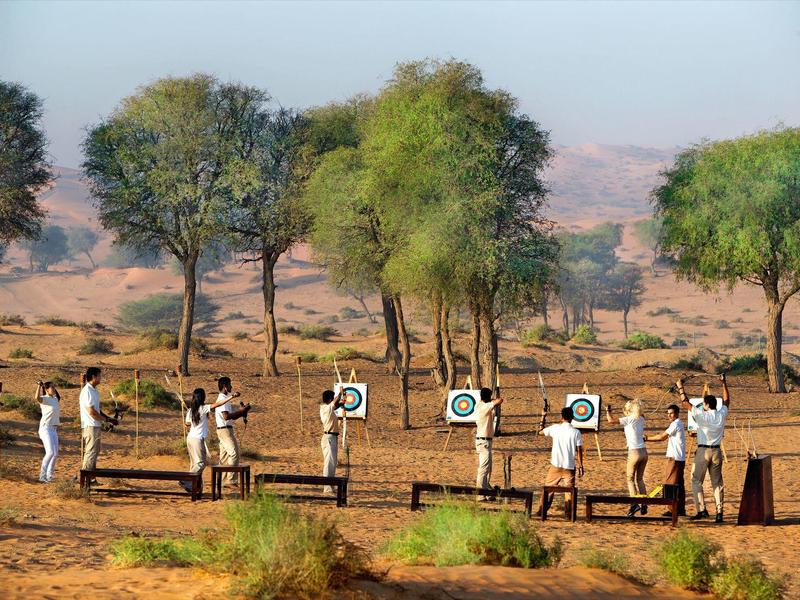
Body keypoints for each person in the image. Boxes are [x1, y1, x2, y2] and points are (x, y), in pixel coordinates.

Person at [676, 374, 730, 523]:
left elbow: (685, 403)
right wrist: (724, 383)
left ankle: (702, 510)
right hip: (717, 451)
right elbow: (726, 401)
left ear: (705, 405)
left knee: (696, 480)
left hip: (703, 451)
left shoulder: (701, 414)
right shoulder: (721, 414)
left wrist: (680, 387)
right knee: (717, 482)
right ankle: (719, 512)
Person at [536, 406, 584, 516]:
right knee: (569, 492)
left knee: (548, 489)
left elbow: (540, 432)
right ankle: (569, 514)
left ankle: (542, 511)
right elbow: (579, 450)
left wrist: (543, 417)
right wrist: (581, 465)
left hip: (556, 466)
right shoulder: (576, 432)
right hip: (569, 467)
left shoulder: (555, 428)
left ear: (561, 417)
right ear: (572, 417)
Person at [606, 397, 648, 516]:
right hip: (644, 452)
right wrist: (636, 402)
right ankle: (644, 503)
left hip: (634, 452)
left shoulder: (628, 419)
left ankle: (634, 504)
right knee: (640, 479)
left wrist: (608, 411)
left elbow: (610, 421)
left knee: (630, 479)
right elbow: (641, 412)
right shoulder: (641, 418)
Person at [643, 404, 687, 517]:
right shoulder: (678, 423)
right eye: (668, 413)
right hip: (679, 458)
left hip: (675, 459)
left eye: (671, 413)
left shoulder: (675, 424)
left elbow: (662, 437)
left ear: (677, 413)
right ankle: (680, 509)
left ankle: (672, 510)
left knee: (670, 484)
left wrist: (646, 439)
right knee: (679, 485)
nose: (669, 415)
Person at [181, 388, 228, 493]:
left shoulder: (191, 410)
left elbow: (187, 424)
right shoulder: (203, 408)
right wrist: (231, 397)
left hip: (190, 439)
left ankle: (194, 487)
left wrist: (188, 424)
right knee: (201, 463)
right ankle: (186, 480)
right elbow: (218, 404)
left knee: (194, 464)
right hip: (197, 439)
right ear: (202, 397)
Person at [79, 367, 117, 479]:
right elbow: (91, 412)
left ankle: (91, 478)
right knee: (91, 452)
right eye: (99, 375)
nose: (101, 378)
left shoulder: (94, 390)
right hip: (90, 425)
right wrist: (105, 420)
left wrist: (109, 419)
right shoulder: (87, 391)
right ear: (94, 377)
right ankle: (85, 479)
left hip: (95, 425)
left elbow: (97, 410)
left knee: (95, 451)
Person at [214, 376, 251, 487]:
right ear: (225, 387)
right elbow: (226, 417)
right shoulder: (223, 399)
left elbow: (231, 416)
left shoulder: (224, 398)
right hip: (225, 431)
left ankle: (222, 481)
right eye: (230, 385)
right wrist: (242, 411)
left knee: (224, 457)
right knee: (234, 453)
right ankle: (230, 480)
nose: (231, 387)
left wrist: (242, 411)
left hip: (223, 430)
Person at [475, 387, 503, 500]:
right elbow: (500, 400)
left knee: (488, 468)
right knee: (483, 468)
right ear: (488, 397)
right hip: (483, 442)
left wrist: (490, 399)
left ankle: (486, 491)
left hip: (486, 441)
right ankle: (480, 494)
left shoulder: (480, 405)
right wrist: (494, 398)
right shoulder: (484, 407)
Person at [319, 387, 346, 494]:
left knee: (332, 463)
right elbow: (334, 403)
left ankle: (330, 485)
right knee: (329, 463)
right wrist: (340, 394)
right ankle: (327, 487)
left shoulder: (328, 409)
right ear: (330, 399)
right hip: (329, 438)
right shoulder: (325, 408)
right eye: (333, 398)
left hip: (332, 437)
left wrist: (342, 402)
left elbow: (335, 405)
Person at [35, 381, 61, 483]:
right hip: (45, 428)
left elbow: (58, 396)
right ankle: (42, 476)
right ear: (46, 389)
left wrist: (50, 387)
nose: (54, 389)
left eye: (54, 387)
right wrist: (39, 386)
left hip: (54, 429)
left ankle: (49, 475)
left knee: (55, 454)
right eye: (52, 387)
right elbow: (37, 398)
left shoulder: (55, 399)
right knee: (50, 452)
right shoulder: (44, 399)